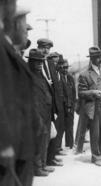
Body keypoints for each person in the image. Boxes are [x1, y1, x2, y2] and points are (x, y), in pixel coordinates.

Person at [0, 3, 35, 186]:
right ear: (14, 24)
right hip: (9, 155)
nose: (26, 32)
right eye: (24, 26)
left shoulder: (10, 51)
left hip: (21, 150)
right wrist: (4, 145)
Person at [37, 38, 64, 166]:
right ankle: (44, 161)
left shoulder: (50, 63)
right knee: (45, 133)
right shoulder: (35, 62)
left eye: (48, 48)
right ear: (38, 47)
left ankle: (51, 158)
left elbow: (56, 86)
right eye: (43, 47)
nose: (46, 50)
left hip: (52, 104)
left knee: (54, 132)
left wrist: (58, 106)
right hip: (42, 104)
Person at [27, 49, 54, 177]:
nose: (40, 65)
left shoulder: (40, 74)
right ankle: (37, 168)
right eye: (37, 62)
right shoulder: (28, 75)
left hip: (46, 112)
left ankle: (43, 165)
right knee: (38, 140)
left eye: (41, 62)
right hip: (36, 114)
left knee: (45, 139)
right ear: (31, 62)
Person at [59, 59, 76, 149]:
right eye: (63, 68)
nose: (65, 69)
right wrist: (66, 105)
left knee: (70, 125)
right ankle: (58, 147)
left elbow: (73, 93)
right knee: (61, 127)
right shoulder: (59, 77)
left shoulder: (70, 78)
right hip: (63, 106)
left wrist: (73, 105)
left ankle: (70, 144)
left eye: (66, 67)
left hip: (70, 106)